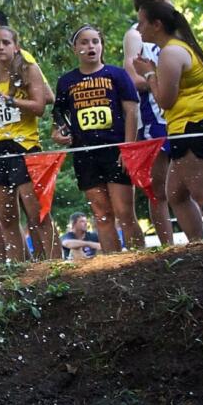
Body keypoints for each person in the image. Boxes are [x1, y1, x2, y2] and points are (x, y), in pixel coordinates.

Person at [134, 2, 203, 241]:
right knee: (175, 194)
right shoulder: (176, 49)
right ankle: (198, 246)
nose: (138, 28)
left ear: (157, 25)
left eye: (142, 22)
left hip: (194, 126)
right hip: (184, 128)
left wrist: (148, 74)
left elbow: (165, 100)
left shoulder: (171, 52)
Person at [53, 25, 142, 254]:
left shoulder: (116, 74)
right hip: (84, 153)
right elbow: (58, 112)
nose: (90, 46)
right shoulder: (66, 81)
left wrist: (129, 148)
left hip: (115, 149)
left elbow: (132, 111)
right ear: (75, 48)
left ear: (101, 46)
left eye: (95, 41)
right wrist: (60, 131)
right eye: (84, 42)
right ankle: (112, 264)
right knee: (102, 214)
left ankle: (141, 260)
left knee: (124, 212)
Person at [0, 26, 54, 261]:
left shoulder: (28, 69)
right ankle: (19, 270)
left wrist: (7, 99)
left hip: (25, 145)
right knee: (6, 217)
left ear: (15, 46)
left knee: (37, 213)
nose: (0, 47)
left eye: (5, 42)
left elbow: (40, 107)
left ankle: (55, 264)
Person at [122, 0, 176, 246]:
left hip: (180, 111)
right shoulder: (135, 34)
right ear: (154, 2)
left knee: (188, 181)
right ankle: (167, 246)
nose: (172, 4)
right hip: (154, 116)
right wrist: (159, 80)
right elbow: (131, 77)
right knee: (160, 188)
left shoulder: (175, 32)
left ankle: (199, 240)